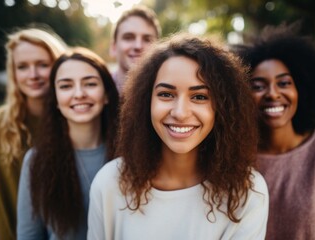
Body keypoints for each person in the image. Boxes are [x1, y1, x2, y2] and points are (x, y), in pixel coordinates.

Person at [87, 34, 269, 240]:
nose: (180, 113)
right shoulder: (110, 183)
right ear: (146, 101)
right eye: (166, 94)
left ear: (223, 108)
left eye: (199, 97)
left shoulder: (248, 192)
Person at [233, 24, 315, 239]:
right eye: (258, 86)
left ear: (302, 89)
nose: (273, 94)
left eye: (284, 83)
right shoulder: (231, 159)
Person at [17, 47, 119, 239]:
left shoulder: (131, 155)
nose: (79, 94)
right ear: (55, 99)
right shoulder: (37, 161)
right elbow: (28, 235)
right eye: (66, 86)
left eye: (90, 84)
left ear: (106, 94)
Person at [0, 27, 67, 240]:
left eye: (42, 65)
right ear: (13, 73)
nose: (33, 75)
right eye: (22, 67)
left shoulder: (76, 121)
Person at [110, 5, 161, 95]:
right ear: (113, 47)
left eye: (147, 39)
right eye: (128, 37)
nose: (138, 46)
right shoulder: (96, 92)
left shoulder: (166, 93)